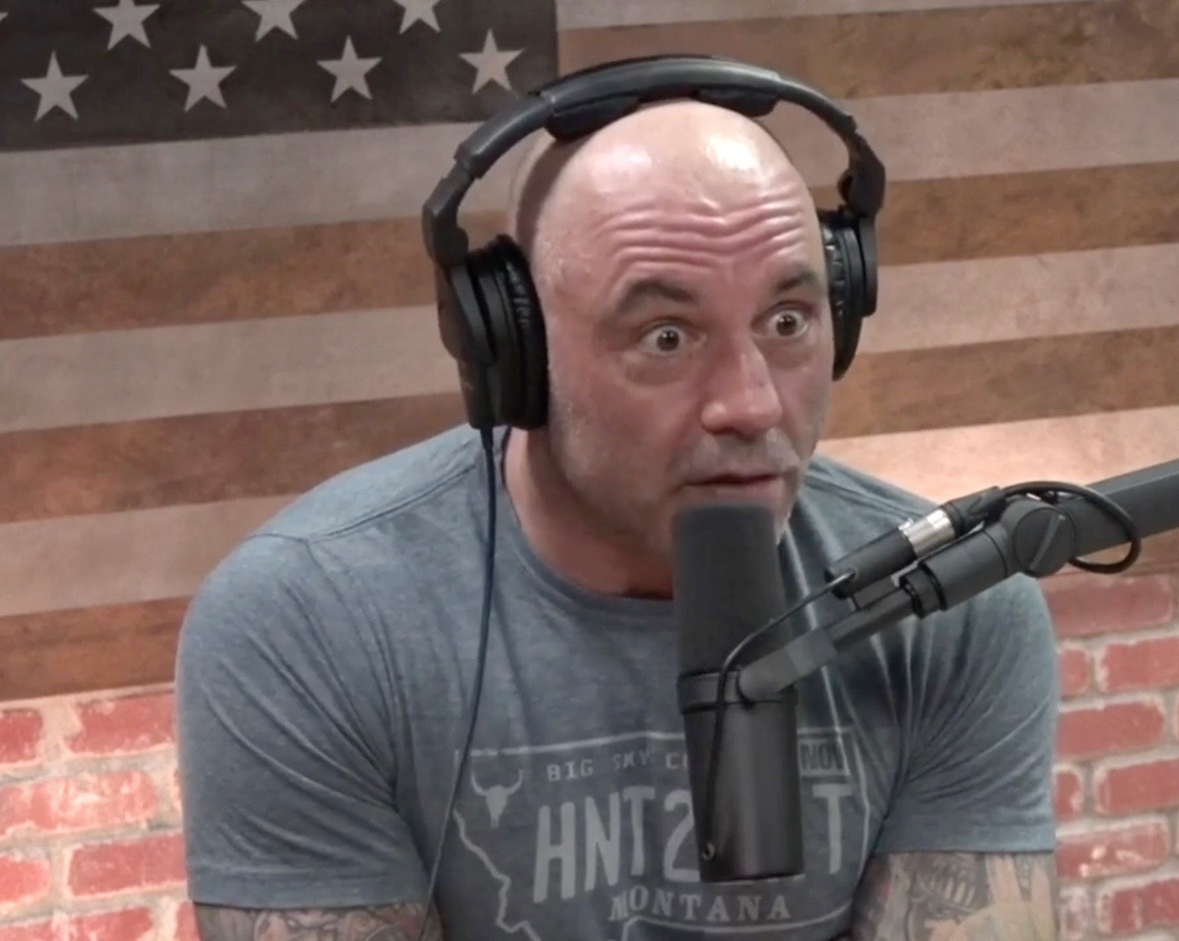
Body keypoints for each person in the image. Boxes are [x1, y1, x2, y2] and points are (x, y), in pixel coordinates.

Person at [174, 90, 1062, 941]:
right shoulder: (309, 622)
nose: (752, 404)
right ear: (517, 356)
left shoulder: (950, 602)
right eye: (665, 337)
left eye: (789, 321)